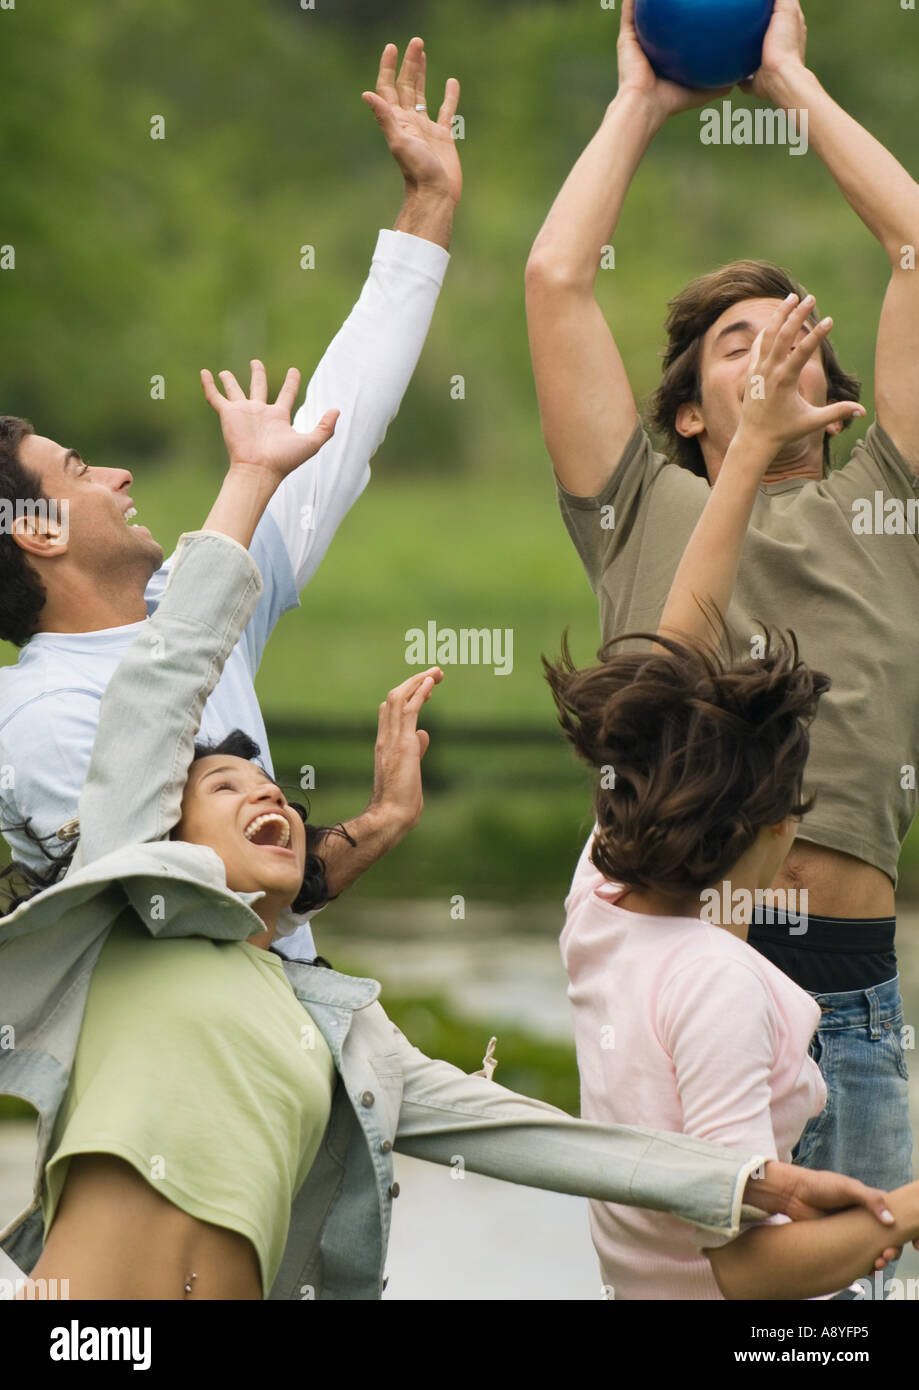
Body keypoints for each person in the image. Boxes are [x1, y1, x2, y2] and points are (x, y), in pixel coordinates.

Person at [0, 361, 896, 1302]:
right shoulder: (129, 912)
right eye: (223, 784)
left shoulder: (337, 1032)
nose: (267, 796)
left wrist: (741, 1180)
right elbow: (166, 672)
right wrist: (251, 478)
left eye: (271, 788)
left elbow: (526, 1137)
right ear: (161, 832)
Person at [525, 0, 919, 1263]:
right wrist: (638, 104)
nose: (770, 357)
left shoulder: (885, 499)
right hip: (683, 973)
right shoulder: (648, 506)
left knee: (840, 1315)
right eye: (735, 345)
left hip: (850, 990)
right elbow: (553, 282)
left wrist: (789, 78)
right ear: (688, 413)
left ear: (835, 385)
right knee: (709, 1298)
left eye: (796, 334)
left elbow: (914, 244)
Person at [0, 36, 462, 961]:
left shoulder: (192, 609)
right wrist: (369, 831)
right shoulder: (40, 722)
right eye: (81, 470)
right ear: (36, 533)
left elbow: (342, 420)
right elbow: (168, 918)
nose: (120, 477)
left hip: (286, 1035)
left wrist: (429, 203)